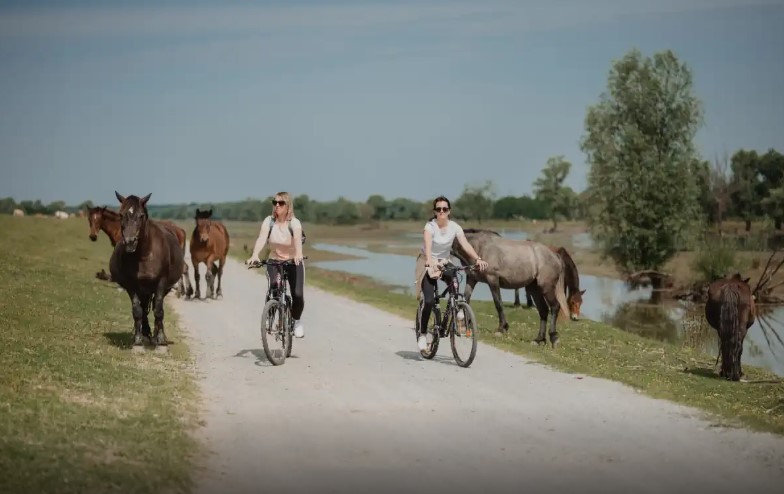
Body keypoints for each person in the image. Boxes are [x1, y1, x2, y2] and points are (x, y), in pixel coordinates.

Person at [414, 195, 488, 351]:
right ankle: (422, 334)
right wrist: (429, 260)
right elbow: (428, 244)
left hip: (444, 262)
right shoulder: (430, 227)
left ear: (449, 211)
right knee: (428, 301)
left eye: (445, 209)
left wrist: (477, 259)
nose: (442, 211)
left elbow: (465, 244)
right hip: (427, 262)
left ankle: (457, 309)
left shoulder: (455, 227)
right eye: (438, 209)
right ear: (435, 211)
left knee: (455, 278)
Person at [245, 192, 306, 338]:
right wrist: (255, 255)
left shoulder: (294, 223)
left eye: (281, 203)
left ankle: (296, 320)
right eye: (275, 202)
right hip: (275, 261)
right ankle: (270, 315)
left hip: (293, 262)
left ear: (288, 206)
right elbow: (261, 238)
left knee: (297, 294)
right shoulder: (269, 221)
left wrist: (298, 253)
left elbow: (297, 238)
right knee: (274, 287)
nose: (277, 206)